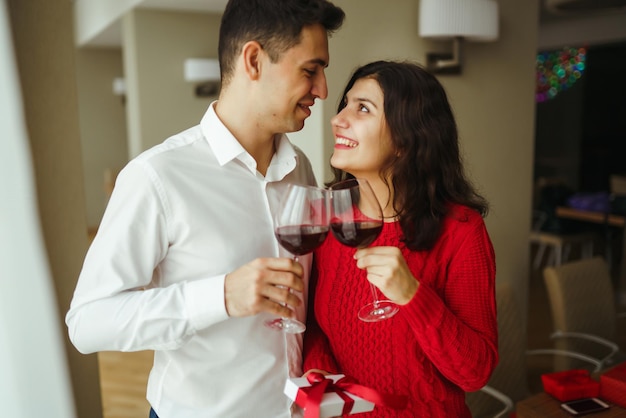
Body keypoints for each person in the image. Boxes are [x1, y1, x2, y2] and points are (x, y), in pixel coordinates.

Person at [65, 1, 344, 417]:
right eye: (310, 70)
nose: (323, 89)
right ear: (253, 60)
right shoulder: (157, 176)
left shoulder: (298, 166)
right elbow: (87, 323)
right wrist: (220, 296)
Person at [303, 61, 498, 417]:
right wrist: (318, 369)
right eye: (345, 104)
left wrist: (412, 294)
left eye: (362, 108)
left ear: (406, 140)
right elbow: (314, 324)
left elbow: (476, 373)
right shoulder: (330, 217)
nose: (337, 118)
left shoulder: (461, 231)